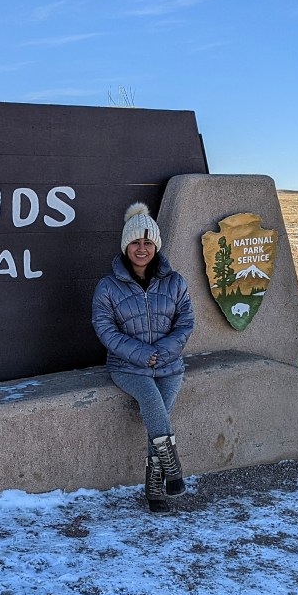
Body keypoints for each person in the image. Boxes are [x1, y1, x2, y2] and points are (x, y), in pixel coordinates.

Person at [91, 202, 195, 511]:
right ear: (126, 245)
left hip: (169, 366)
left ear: (156, 246)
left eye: (148, 242)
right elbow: (105, 329)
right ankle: (172, 470)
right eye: (136, 242)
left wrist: (161, 353)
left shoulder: (175, 282)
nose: (142, 248)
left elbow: (186, 322)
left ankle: (154, 490)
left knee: (157, 420)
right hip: (127, 368)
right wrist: (143, 355)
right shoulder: (107, 287)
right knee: (151, 403)